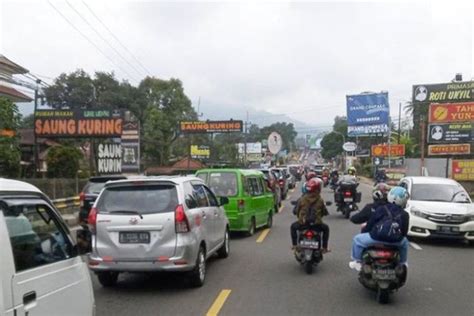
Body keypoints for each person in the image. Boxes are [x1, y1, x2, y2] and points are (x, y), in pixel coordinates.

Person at [349, 186, 410, 271]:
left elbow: (370, 224)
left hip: (376, 238)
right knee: (405, 243)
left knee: (357, 240)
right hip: (395, 241)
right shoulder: (405, 214)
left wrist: (366, 231)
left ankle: (357, 261)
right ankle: (403, 263)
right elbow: (404, 232)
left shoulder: (381, 209)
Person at [291, 178, 330, 253]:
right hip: (316, 225)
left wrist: (300, 216)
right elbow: (324, 211)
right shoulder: (320, 200)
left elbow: (297, 210)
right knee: (326, 228)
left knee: (293, 227)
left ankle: (295, 245)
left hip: (303, 224)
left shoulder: (302, 199)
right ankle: (324, 247)